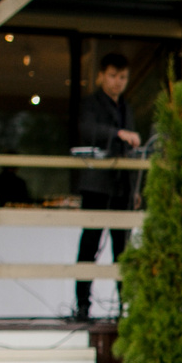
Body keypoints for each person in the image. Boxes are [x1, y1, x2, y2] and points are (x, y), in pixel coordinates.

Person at [74, 52, 138, 320]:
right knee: (89, 246)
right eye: (112, 76)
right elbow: (85, 129)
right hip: (96, 186)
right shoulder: (91, 104)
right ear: (101, 75)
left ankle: (124, 306)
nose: (117, 82)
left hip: (122, 187)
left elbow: (133, 152)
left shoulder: (126, 108)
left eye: (122, 77)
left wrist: (135, 190)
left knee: (121, 250)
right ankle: (82, 306)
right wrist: (117, 134)